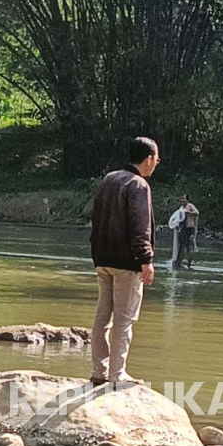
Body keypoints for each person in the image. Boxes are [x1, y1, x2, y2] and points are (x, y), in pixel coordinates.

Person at [89, 137, 159, 386]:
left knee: (102, 316)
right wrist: (146, 259)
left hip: (103, 258)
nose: (156, 164)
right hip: (127, 263)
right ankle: (117, 374)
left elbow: (96, 218)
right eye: (156, 159)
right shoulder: (138, 184)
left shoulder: (110, 179)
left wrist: (96, 254)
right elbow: (140, 226)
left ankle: (100, 371)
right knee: (124, 318)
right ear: (149, 158)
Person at [173, 195, 199, 269]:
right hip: (182, 229)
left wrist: (188, 212)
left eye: (183, 199)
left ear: (187, 200)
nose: (182, 200)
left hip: (190, 229)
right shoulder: (180, 209)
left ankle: (189, 264)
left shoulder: (190, 206)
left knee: (189, 247)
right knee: (181, 246)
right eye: (181, 199)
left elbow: (197, 213)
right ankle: (178, 263)